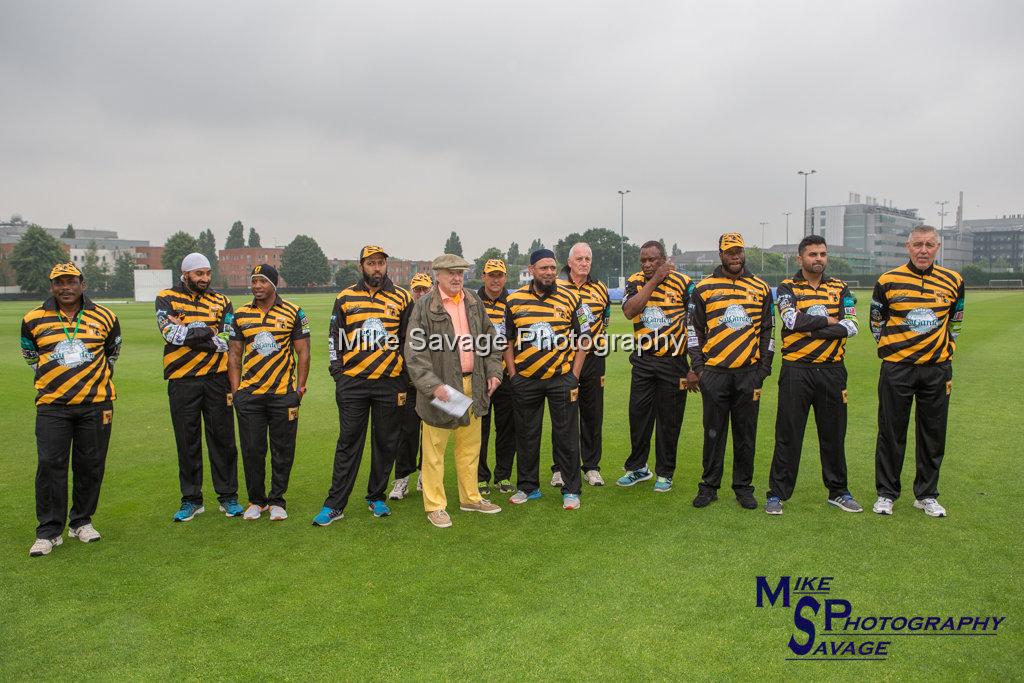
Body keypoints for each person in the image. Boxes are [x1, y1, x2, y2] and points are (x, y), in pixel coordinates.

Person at [21, 263, 122, 557]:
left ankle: (81, 521)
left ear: (83, 284)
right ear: (52, 286)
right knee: (50, 464)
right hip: (53, 405)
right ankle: (49, 531)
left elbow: (112, 350)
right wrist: (56, 378)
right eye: (59, 283)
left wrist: (91, 379)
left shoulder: (105, 315)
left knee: (91, 464)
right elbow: (30, 354)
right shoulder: (33, 318)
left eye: (71, 282)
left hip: (96, 403)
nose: (65, 288)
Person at [313, 245, 413, 526]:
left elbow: (410, 340)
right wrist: (338, 373)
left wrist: (403, 378)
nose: (377, 268)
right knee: (348, 443)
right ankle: (335, 504)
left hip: (389, 384)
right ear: (362, 266)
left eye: (381, 263)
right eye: (371, 263)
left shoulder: (403, 297)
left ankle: (376, 496)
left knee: (385, 442)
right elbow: (335, 337)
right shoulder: (345, 296)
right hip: (353, 384)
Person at [870, 225, 965, 518]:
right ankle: (886, 493)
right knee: (891, 432)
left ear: (938, 247)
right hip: (897, 368)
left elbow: (956, 321)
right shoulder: (888, 280)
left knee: (933, 433)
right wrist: (896, 349)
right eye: (918, 245)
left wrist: (941, 349)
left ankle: (926, 494)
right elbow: (877, 322)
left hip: (936, 369)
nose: (923, 250)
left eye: (929, 245)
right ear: (908, 247)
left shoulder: (954, 280)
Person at [764, 235, 862, 515]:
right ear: (800, 259)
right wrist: (832, 321)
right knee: (788, 433)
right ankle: (777, 494)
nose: (818, 258)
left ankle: (838, 491)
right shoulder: (787, 287)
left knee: (833, 434)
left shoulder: (841, 288)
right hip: (797, 371)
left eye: (822, 254)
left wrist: (812, 329)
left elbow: (852, 326)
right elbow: (791, 320)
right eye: (812, 254)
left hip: (832, 371)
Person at [405, 254, 504, 527]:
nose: (457, 277)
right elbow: (414, 353)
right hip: (443, 389)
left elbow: (491, 341)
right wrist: (433, 386)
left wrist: (495, 372)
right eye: (451, 272)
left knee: (470, 446)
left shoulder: (473, 302)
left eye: (460, 272)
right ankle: (435, 505)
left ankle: (470, 497)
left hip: (474, 384)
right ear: (437, 274)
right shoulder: (425, 306)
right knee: (435, 449)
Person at [688, 233, 774, 510]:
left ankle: (743, 487)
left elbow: (768, 331)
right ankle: (709, 486)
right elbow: (694, 330)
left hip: (748, 374)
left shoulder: (760, 287)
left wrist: (764, 368)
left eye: (738, 251)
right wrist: (699, 368)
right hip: (715, 373)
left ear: (743, 253)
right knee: (713, 433)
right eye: (730, 252)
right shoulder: (704, 288)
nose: (735, 256)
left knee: (745, 434)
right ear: (721, 254)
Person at [155, 252, 242, 522]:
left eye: (207, 273)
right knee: (187, 440)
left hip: (217, 379)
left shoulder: (222, 300)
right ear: (186, 274)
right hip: (182, 380)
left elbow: (227, 339)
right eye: (198, 274)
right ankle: (191, 499)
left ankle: (228, 497)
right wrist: (209, 332)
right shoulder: (166, 297)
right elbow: (171, 334)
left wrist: (193, 333)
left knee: (223, 440)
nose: (204, 278)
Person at [503, 249, 589, 510]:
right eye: (543, 268)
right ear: (531, 270)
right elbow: (506, 339)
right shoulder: (514, 299)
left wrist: (574, 375)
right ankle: (528, 487)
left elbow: (585, 338)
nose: (550, 272)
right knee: (527, 435)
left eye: (552, 267)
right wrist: (513, 374)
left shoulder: (573, 297)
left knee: (566, 436)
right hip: (526, 379)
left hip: (560, 378)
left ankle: (571, 489)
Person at [228, 264, 310, 521]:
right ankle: (256, 500)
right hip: (250, 395)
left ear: (274, 284)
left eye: (262, 281)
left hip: (283, 393)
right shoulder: (240, 315)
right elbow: (233, 355)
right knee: (252, 448)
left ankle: (277, 500)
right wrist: (237, 391)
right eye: (253, 281)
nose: (256, 286)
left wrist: (299, 389)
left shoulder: (294, 311)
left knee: (282, 449)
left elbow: (303, 352)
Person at [618, 240, 695, 493]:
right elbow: (630, 311)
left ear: (663, 259)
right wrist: (654, 281)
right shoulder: (635, 280)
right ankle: (638, 468)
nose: (647, 264)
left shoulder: (684, 283)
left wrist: (695, 365)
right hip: (643, 360)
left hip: (673, 361)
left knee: (669, 420)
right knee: (638, 416)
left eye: (652, 260)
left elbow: (696, 323)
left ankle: (665, 473)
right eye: (643, 260)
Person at [555, 243, 611, 487]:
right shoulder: (556, 286)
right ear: (569, 262)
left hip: (594, 360)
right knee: (564, 415)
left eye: (588, 258)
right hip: (563, 359)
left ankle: (591, 466)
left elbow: (605, 320)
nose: (584, 263)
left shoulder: (600, 288)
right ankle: (559, 468)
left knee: (592, 414)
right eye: (579, 258)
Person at [389, 272, 433, 500]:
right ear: (411, 291)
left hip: (432, 385)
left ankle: (426, 475)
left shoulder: (439, 315)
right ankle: (402, 479)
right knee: (407, 432)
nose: (421, 293)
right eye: (417, 289)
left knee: (431, 432)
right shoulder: (404, 316)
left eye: (425, 289)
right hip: (407, 384)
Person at [476, 258, 517, 495]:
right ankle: (481, 477)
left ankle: (503, 475)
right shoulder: (471, 301)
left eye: (499, 275)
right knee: (479, 428)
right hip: (480, 374)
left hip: (506, 374)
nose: (495, 279)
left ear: (505, 277)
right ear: (483, 276)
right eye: (491, 275)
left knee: (507, 428)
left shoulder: (512, 301)